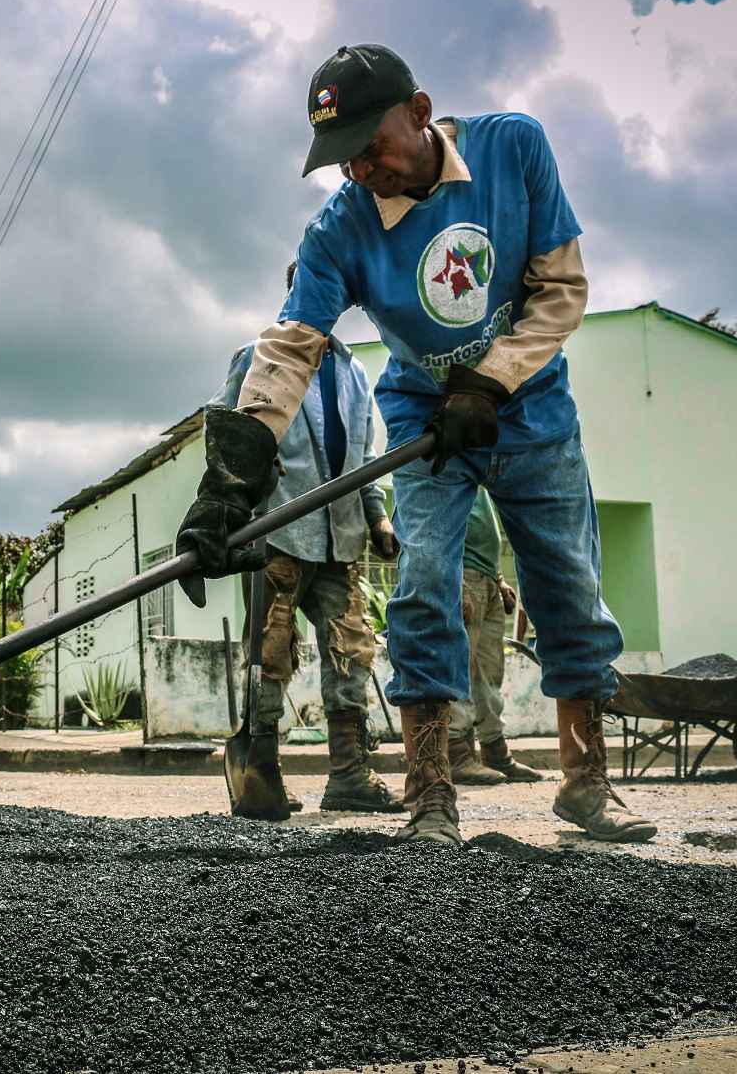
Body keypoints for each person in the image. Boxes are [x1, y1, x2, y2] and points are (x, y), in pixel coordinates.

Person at [176, 43, 655, 845]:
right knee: (425, 580)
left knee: (568, 582)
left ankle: (586, 782)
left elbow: (561, 288)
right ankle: (430, 793)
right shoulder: (339, 232)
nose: (361, 170)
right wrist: (230, 477)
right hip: (428, 424)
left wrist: (494, 379)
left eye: (373, 146)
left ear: (422, 112)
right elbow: (291, 348)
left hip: (533, 412)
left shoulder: (515, 148)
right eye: (343, 160)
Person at [211, 262, 404, 819]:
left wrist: (377, 520)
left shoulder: (353, 372)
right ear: (295, 292)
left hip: (340, 538)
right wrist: (232, 505)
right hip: (277, 530)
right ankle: (261, 769)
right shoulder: (258, 356)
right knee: (270, 652)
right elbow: (226, 433)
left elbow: (366, 457)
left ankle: (349, 774)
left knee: (352, 650)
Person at [448, 488, 543, 786]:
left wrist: (499, 579)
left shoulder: (479, 475)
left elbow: (481, 533)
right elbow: (438, 526)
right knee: (460, 669)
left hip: (485, 578)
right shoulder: (446, 467)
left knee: (488, 674)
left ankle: (494, 750)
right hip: (463, 574)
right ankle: (456, 754)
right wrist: (455, 579)